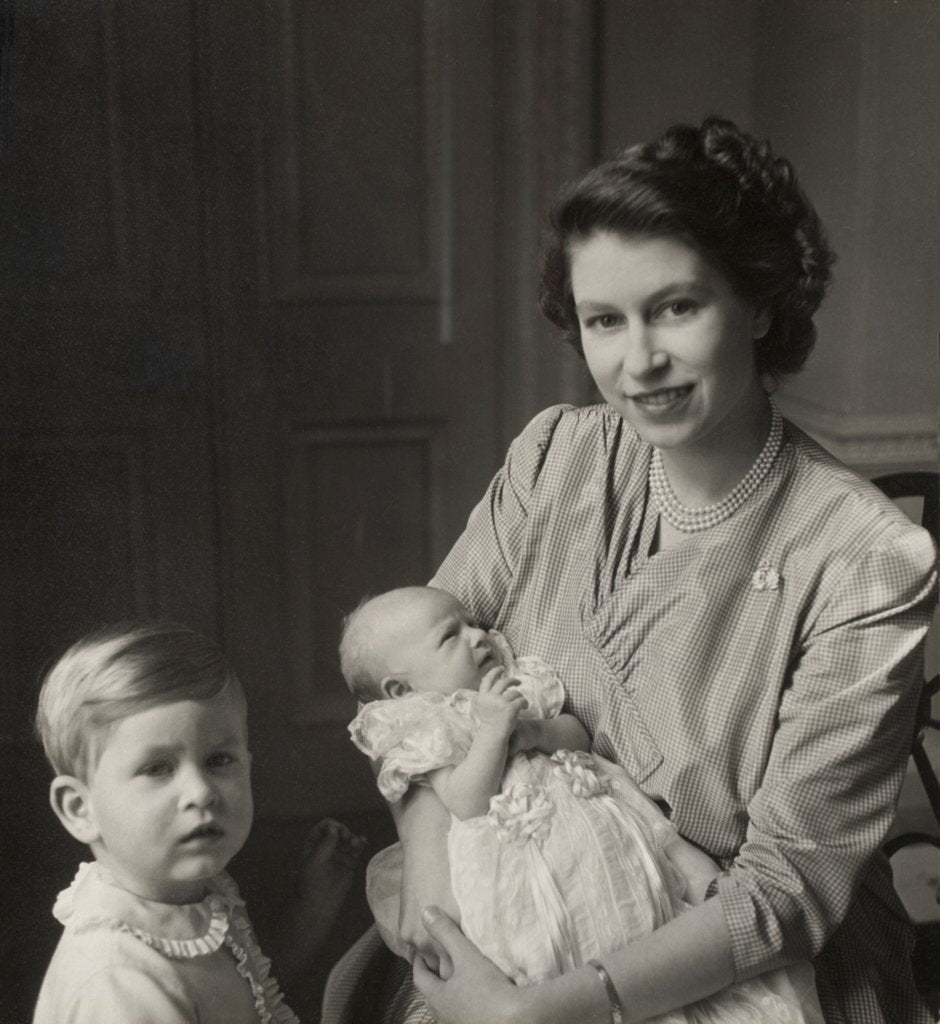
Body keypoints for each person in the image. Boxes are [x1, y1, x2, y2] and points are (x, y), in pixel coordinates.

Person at [379, 116, 939, 1024]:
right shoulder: (555, 458)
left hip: (732, 962)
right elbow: (410, 699)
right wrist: (443, 904)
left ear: (759, 302)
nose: (638, 362)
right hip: (515, 908)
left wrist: (547, 1011)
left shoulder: (865, 560)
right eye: (606, 320)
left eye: (676, 307)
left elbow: (785, 893)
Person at [341, 585, 824, 1022]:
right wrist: (491, 732)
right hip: (517, 865)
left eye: (472, 622)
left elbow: (578, 735)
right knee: (543, 947)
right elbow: (466, 800)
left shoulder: (517, 682)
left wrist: (535, 731)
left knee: (646, 895)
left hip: (594, 822)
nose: (478, 635)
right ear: (401, 691)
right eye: (451, 636)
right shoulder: (432, 724)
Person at [32, 621, 365, 1024]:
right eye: (157, 768)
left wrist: (313, 904)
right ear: (80, 809)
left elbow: (241, 996)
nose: (201, 791)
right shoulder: (119, 983)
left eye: (218, 760)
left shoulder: (188, 895)